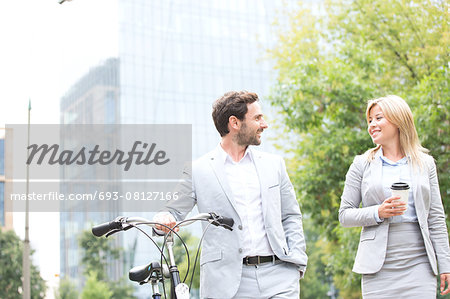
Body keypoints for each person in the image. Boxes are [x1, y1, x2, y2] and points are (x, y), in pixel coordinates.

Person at [154, 91, 307, 298]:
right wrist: (163, 219)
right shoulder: (198, 170)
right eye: (257, 118)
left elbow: (290, 216)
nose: (264, 124)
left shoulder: (274, 165)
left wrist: (297, 260)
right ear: (234, 123)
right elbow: (172, 211)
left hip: (279, 276)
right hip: (227, 283)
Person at [339, 95, 450, 298]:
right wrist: (377, 212)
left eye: (378, 118)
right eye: (370, 120)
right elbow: (344, 215)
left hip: (420, 263)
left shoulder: (426, 163)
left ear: (398, 120)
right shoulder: (361, 164)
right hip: (377, 267)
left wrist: (445, 265)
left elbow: (436, 218)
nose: (372, 124)